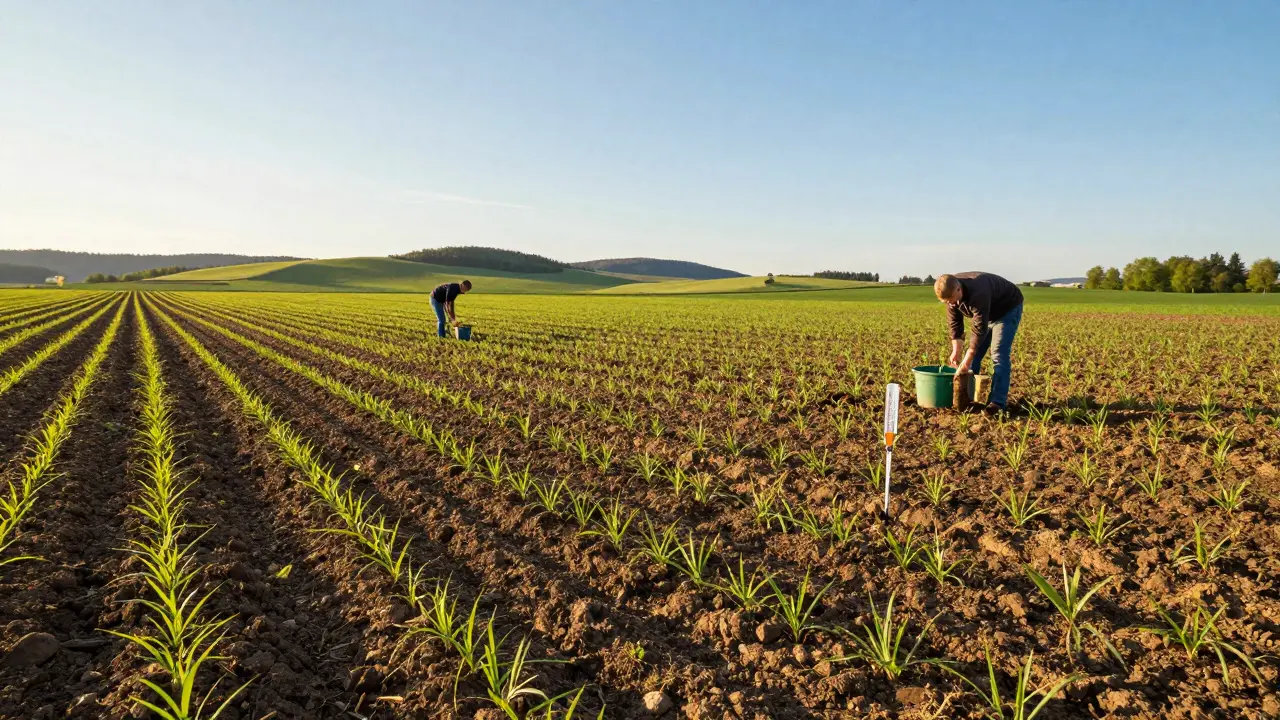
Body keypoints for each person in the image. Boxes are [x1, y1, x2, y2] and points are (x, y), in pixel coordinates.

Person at [934, 272, 1024, 412]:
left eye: (950, 299)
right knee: (972, 357)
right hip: (986, 314)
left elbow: (978, 330)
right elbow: (955, 325)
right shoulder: (950, 294)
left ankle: (997, 403)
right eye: (945, 302)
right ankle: (966, 398)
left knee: (998, 354)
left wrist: (965, 362)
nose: (950, 303)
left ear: (959, 289)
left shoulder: (978, 293)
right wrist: (956, 352)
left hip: (1006, 310)